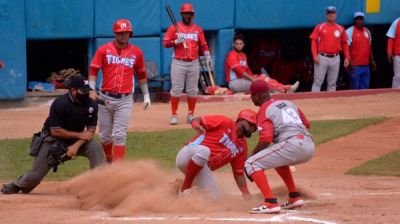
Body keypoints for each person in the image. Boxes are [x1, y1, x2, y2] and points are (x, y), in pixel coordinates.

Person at [1, 76, 106, 194]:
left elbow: (90, 132)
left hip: (77, 139)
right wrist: (80, 135)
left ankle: (101, 185)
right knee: (34, 177)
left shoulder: (91, 105)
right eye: (83, 91)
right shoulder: (60, 104)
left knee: (95, 147)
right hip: (53, 138)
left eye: (87, 91)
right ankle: (17, 185)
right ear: (73, 90)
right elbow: (56, 131)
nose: (86, 94)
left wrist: (76, 146)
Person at [244, 80, 315, 214]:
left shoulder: (264, 110)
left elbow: (266, 139)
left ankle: (270, 202)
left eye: (252, 96)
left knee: (251, 163)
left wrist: (251, 156)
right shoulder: (289, 103)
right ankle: (294, 197)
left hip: (292, 145)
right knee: (278, 160)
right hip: (309, 145)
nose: (252, 99)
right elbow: (306, 124)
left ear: (257, 96)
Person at [88, 19, 150, 162]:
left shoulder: (136, 52)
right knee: (104, 135)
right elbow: (93, 68)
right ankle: (109, 160)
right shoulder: (103, 49)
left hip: (125, 99)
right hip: (104, 98)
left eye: (126, 33)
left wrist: (146, 95)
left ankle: (118, 169)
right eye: (120, 33)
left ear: (130, 34)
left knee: (119, 134)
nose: (123, 36)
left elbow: (141, 74)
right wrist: (91, 89)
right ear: (115, 34)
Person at [176, 109, 258, 199]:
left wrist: (246, 193)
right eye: (251, 124)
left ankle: (177, 188)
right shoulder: (225, 122)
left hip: (201, 168)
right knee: (204, 151)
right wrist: (197, 125)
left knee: (214, 199)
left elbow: (238, 173)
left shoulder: (242, 147)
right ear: (242, 120)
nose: (252, 128)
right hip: (188, 154)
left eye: (254, 127)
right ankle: (185, 187)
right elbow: (197, 119)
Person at [163, 3, 211, 125]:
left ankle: (191, 114)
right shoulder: (174, 27)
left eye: (189, 13)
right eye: (185, 13)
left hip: (194, 62)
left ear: (192, 15)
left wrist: (207, 54)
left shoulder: (197, 29)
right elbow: (165, 43)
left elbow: (203, 44)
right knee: (176, 89)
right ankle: (174, 115)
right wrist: (175, 41)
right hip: (179, 62)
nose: (187, 15)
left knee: (192, 90)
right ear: (181, 14)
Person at [225, 34, 299, 93]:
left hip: (243, 80)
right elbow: (239, 70)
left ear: (244, 44)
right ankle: (284, 89)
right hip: (234, 83)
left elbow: (247, 70)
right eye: (237, 44)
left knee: (263, 77)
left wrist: (255, 77)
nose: (239, 45)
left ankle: (284, 88)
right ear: (233, 44)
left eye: (240, 44)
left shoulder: (244, 55)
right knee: (260, 83)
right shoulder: (231, 55)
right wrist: (253, 79)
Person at [309, 6, 350, 92]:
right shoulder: (320, 27)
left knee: (332, 83)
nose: (331, 14)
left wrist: (347, 57)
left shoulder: (340, 28)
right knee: (317, 82)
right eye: (329, 13)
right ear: (326, 15)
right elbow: (314, 41)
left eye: (332, 13)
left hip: (336, 57)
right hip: (322, 57)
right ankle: (314, 102)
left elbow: (345, 43)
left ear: (335, 14)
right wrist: (315, 55)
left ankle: (331, 103)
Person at [346, 12, 377, 89]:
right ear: (354, 20)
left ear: (363, 20)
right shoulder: (349, 31)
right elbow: (346, 48)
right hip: (355, 66)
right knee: (355, 89)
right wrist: (350, 61)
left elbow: (369, 47)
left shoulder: (367, 31)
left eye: (361, 19)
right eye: (357, 19)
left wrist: (372, 61)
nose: (359, 21)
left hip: (366, 66)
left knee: (365, 88)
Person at [386, 17, 400, 88]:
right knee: (398, 76)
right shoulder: (396, 22)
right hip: (398, 54)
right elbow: (391, 38)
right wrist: (389, 52)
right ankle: (394, 93)